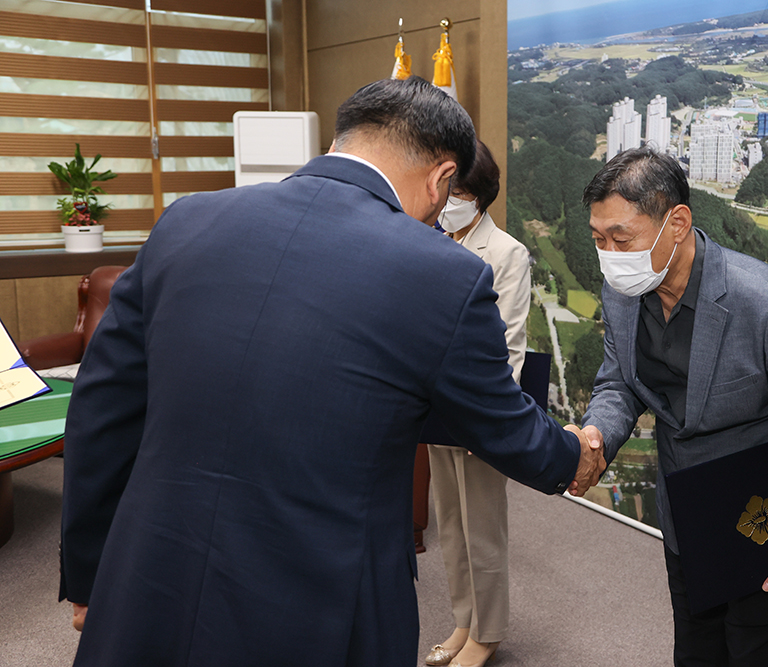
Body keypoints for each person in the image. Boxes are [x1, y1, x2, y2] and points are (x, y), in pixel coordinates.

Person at [58, 76, 605, 667]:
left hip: (150, 580)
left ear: (345, 139)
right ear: (443, 180)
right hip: (319, 606)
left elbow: (101, 409)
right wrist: (573, 455)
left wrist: (90, 574)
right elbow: (500, 422)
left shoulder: (185, 222)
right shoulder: (442, 274)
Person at [576, 146, 768, 667]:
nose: (609, 254)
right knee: (696, 654)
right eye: (598, 240)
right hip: (686, 518)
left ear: (676, 223)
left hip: (760, 523)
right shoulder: (622, 291)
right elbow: (620, 383)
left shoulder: (767, 306)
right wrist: (595, 437)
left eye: (621, 239)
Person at [425, 140, 527, 667]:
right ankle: (464, 620)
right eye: (448, 189)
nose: (450, 201)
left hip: (480, 414)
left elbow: (507, 349)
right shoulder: (432, 242)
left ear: (480, 196)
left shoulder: (507, 253)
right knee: (450, 527)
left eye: (460, 192)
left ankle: (488, 633)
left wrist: (477, 414)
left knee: (483, 530)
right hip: (434, 409)